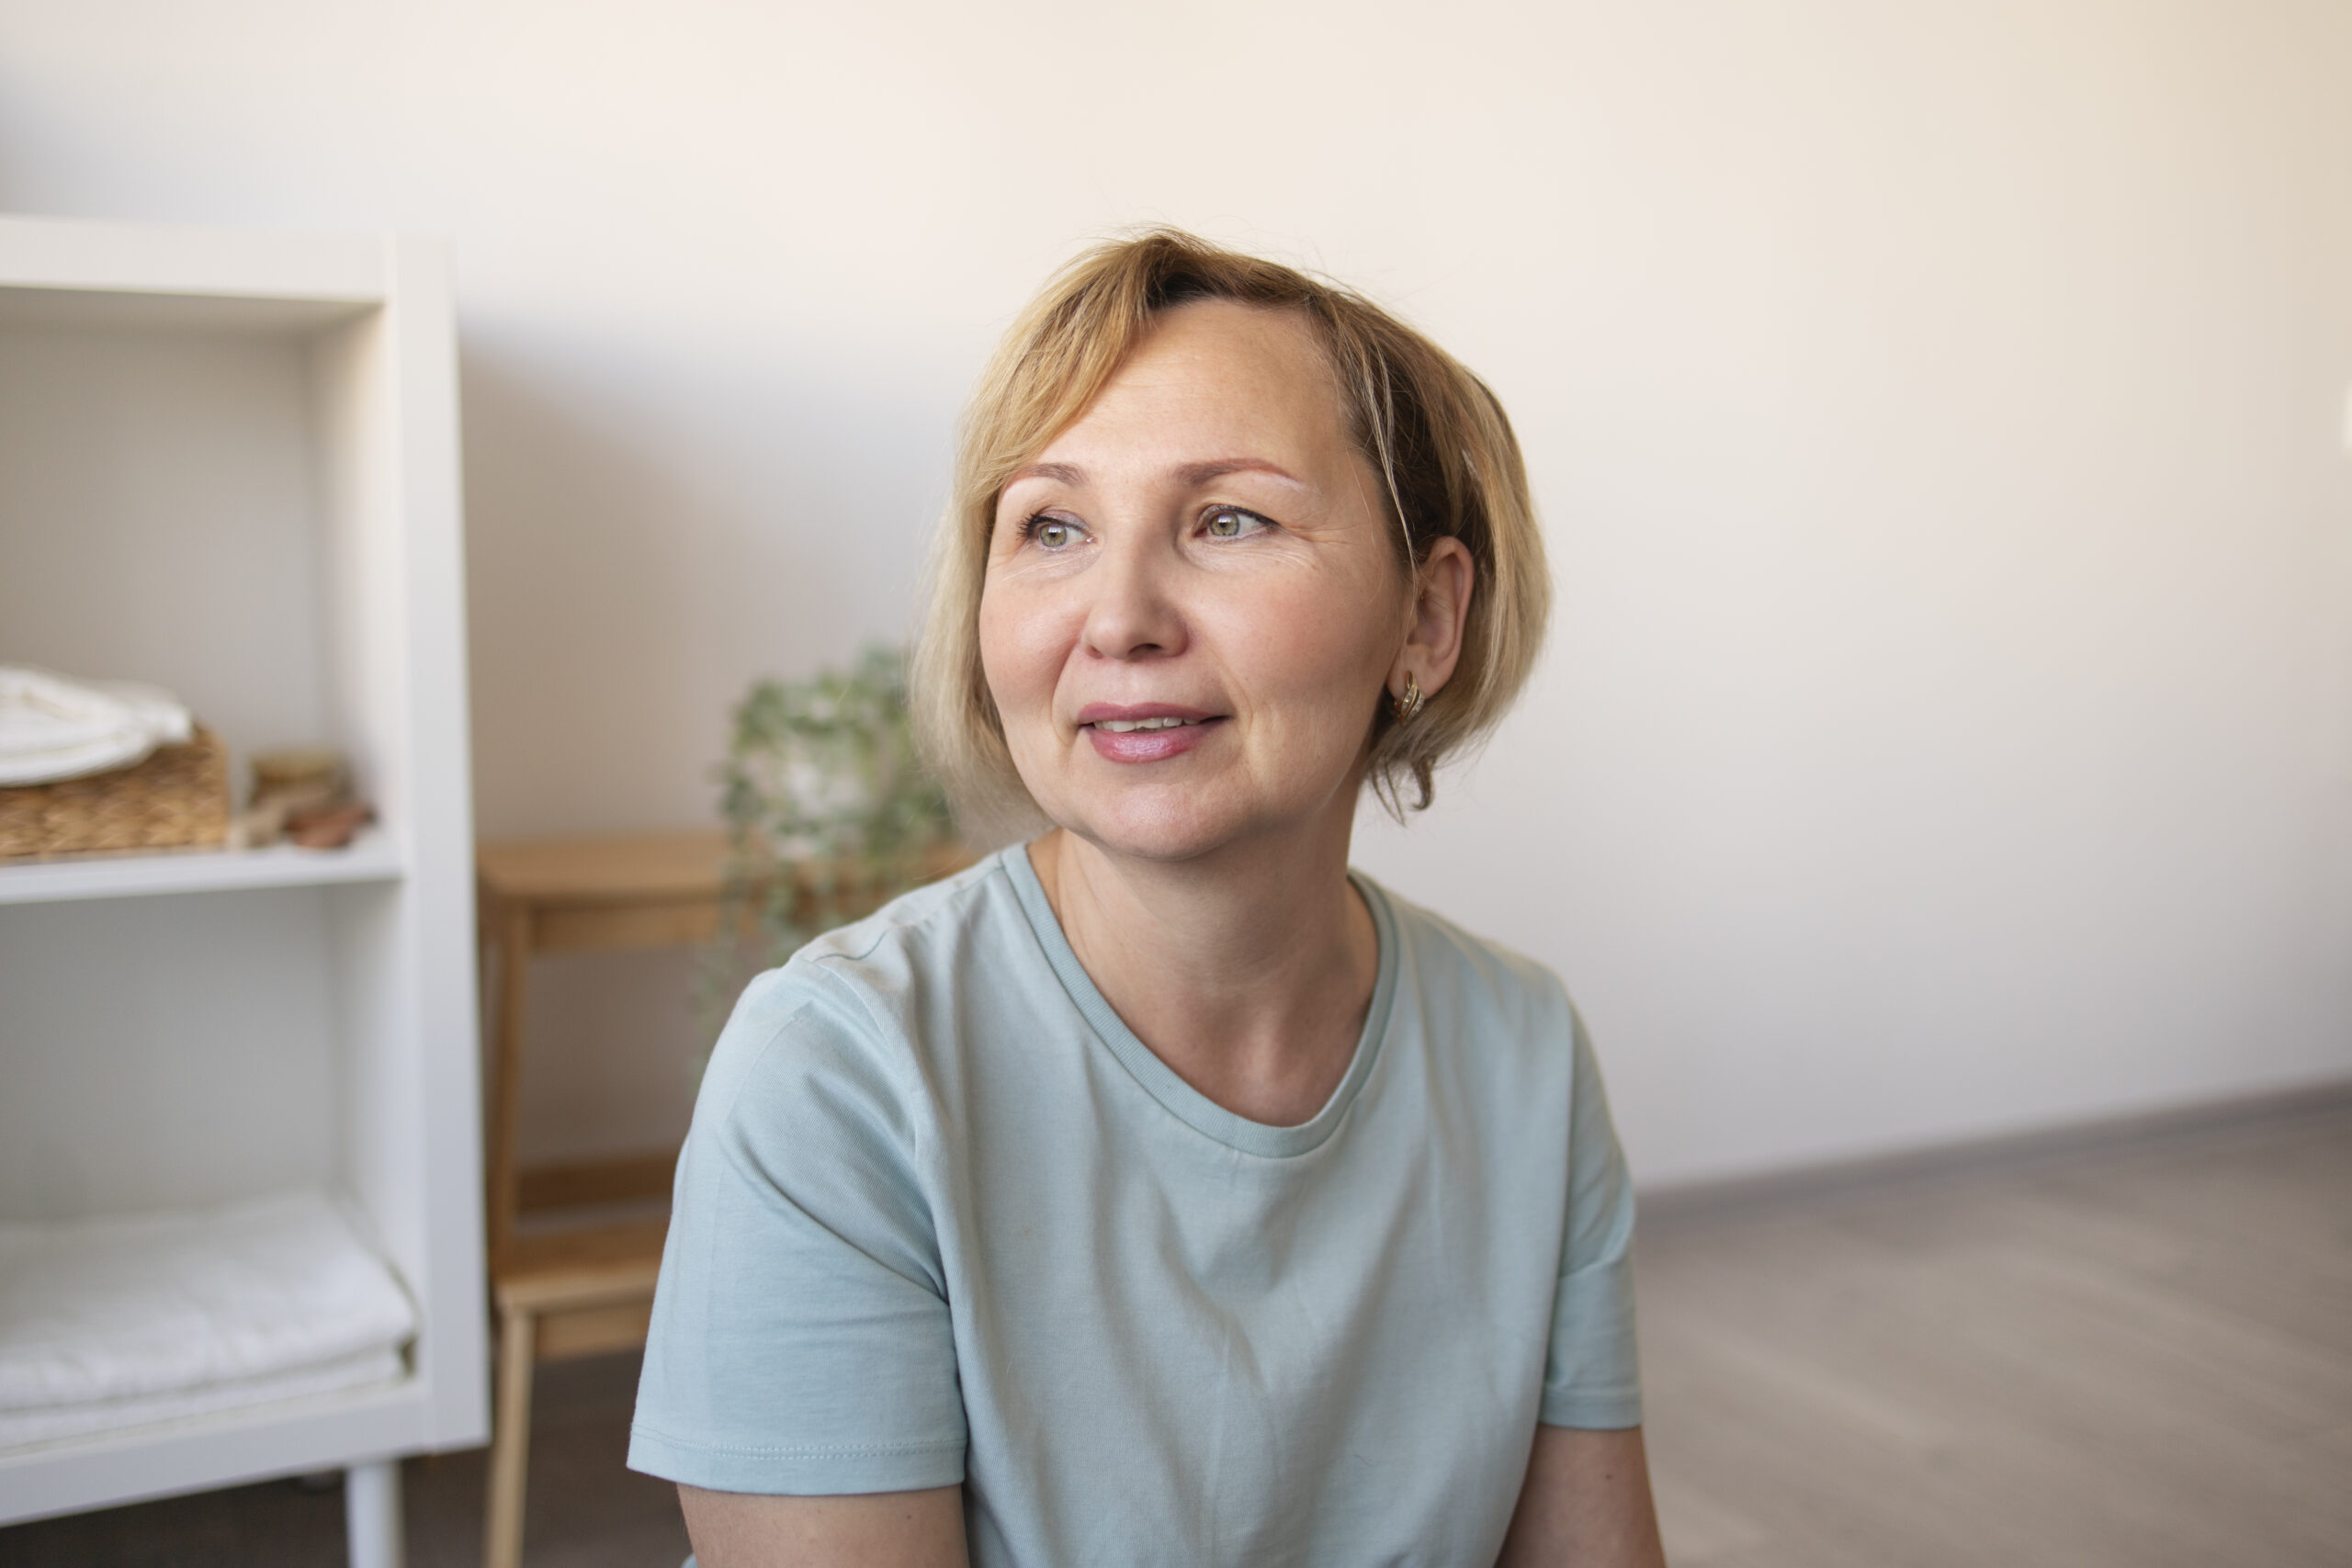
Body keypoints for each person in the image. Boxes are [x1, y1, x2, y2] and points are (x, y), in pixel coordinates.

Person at [628, 229, 1667, 1568]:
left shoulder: (1523, 1055)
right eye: (1051, 527)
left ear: (1424, 620)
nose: (1118, 617)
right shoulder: (837, 1078)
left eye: (1229, 519)